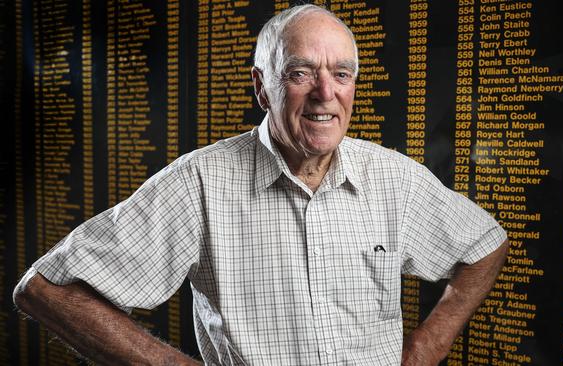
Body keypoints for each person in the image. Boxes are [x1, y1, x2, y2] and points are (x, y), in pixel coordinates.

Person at [14, 4, 508, 365]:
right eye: (301, 72)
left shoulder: (394, 179)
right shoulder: (199, 184)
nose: (325, 93)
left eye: (341, 73)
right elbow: (44, 289)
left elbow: (486, 243)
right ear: (261, 86)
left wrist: (427, 345)